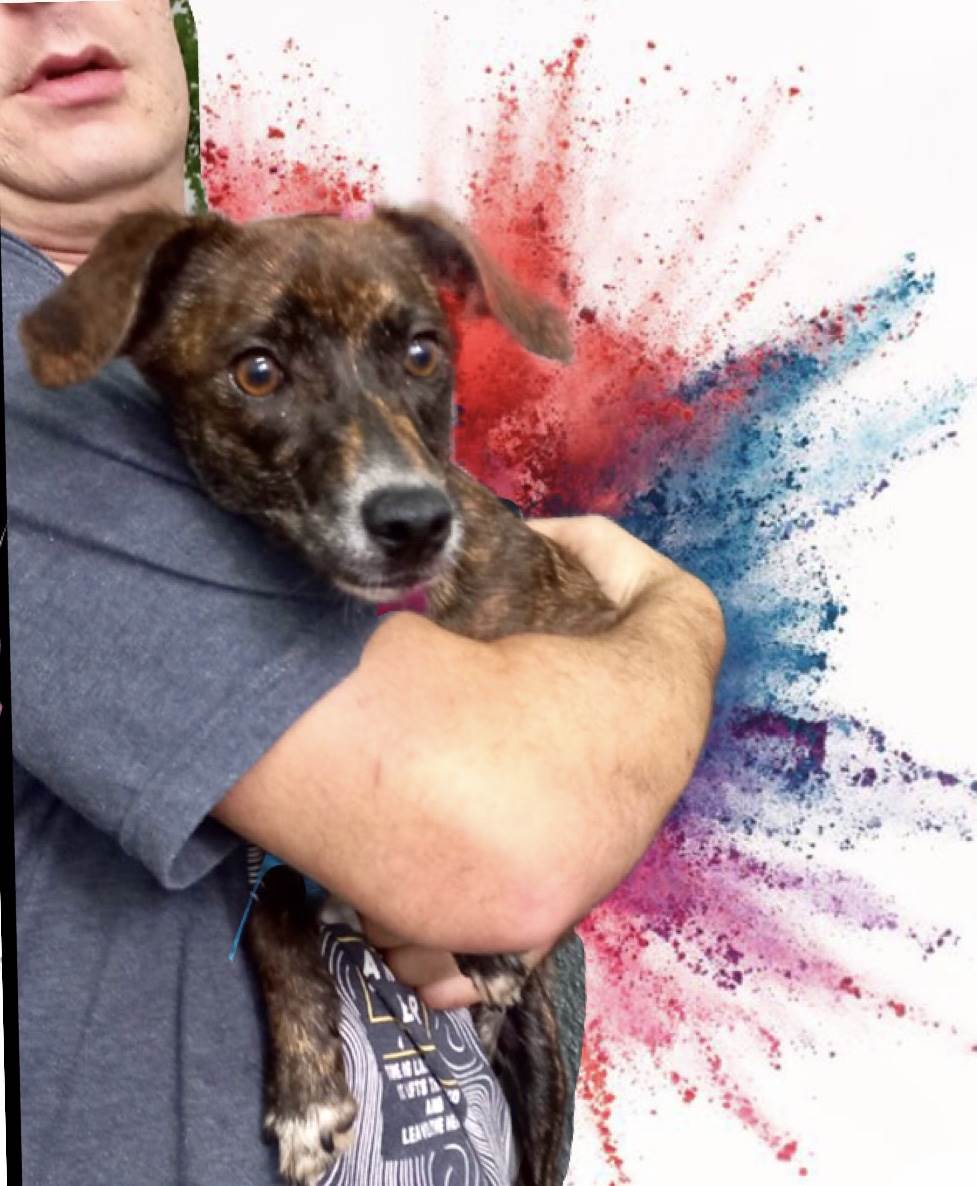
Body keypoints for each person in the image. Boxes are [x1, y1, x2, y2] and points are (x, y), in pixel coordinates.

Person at [1, 2, 725, 1184]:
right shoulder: (32, 387)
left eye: (416, 354)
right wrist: (679, 618)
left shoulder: (254, 302)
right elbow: (510, 841)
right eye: (260, 371)